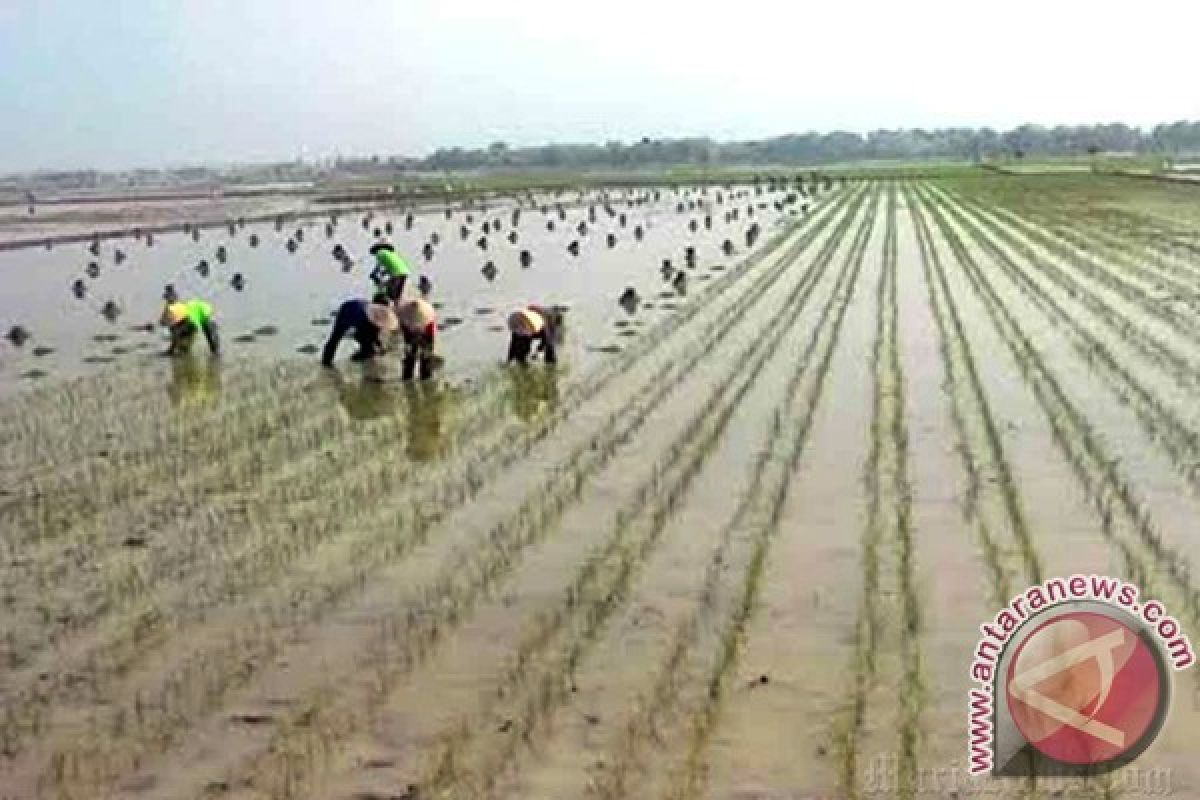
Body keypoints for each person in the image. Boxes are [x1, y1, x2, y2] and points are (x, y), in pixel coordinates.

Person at [321, 296, 398, 367]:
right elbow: (365, 334)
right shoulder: (366, 316)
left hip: (361, 315)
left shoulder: (380, 315)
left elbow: (376, 333)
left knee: (370, 346)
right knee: (335, 339)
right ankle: (326, 364)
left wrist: (380, 346)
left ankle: (362, 359)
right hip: (347, 313)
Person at [396, 297, 439, 381]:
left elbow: (430, 336)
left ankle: (425, 376)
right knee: (409, 356)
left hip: (427, 334)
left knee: (426, 356)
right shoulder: (404, 314)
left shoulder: (428, 318)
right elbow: (403, 329)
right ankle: (407, 377)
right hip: (409, 333)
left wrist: (422, 340)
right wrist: (411, 340)